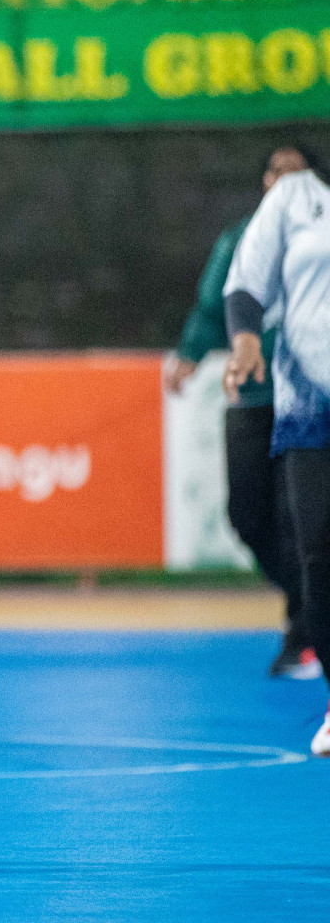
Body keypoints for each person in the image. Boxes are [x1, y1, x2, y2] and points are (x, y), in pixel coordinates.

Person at [166, 146, 318, 679]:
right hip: (253, 398)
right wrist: (189, 353)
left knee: (302, 520)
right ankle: (311, 608)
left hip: (308, 403)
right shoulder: (242, 240)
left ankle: (305, 631)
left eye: (297, 173)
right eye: (277, 171)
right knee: (248, 515)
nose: (285, 181)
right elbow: (217, 304)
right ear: (264, 181)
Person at [223, 148, 330, 757]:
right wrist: (244, 342)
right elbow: (242, 284)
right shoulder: (294, 202)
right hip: (309, 403)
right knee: (316, 546)